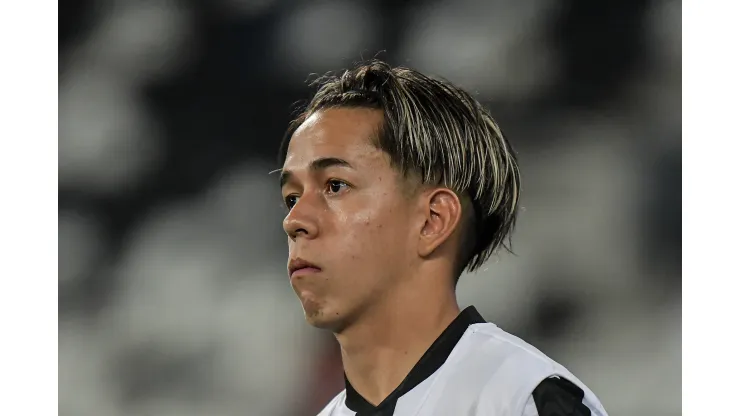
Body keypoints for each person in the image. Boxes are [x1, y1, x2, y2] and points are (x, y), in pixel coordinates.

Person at [277, 60, 608, 416]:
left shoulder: (523, 398)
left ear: (433, 220)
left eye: (335, 185)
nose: (294, 220)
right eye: (292, 198)